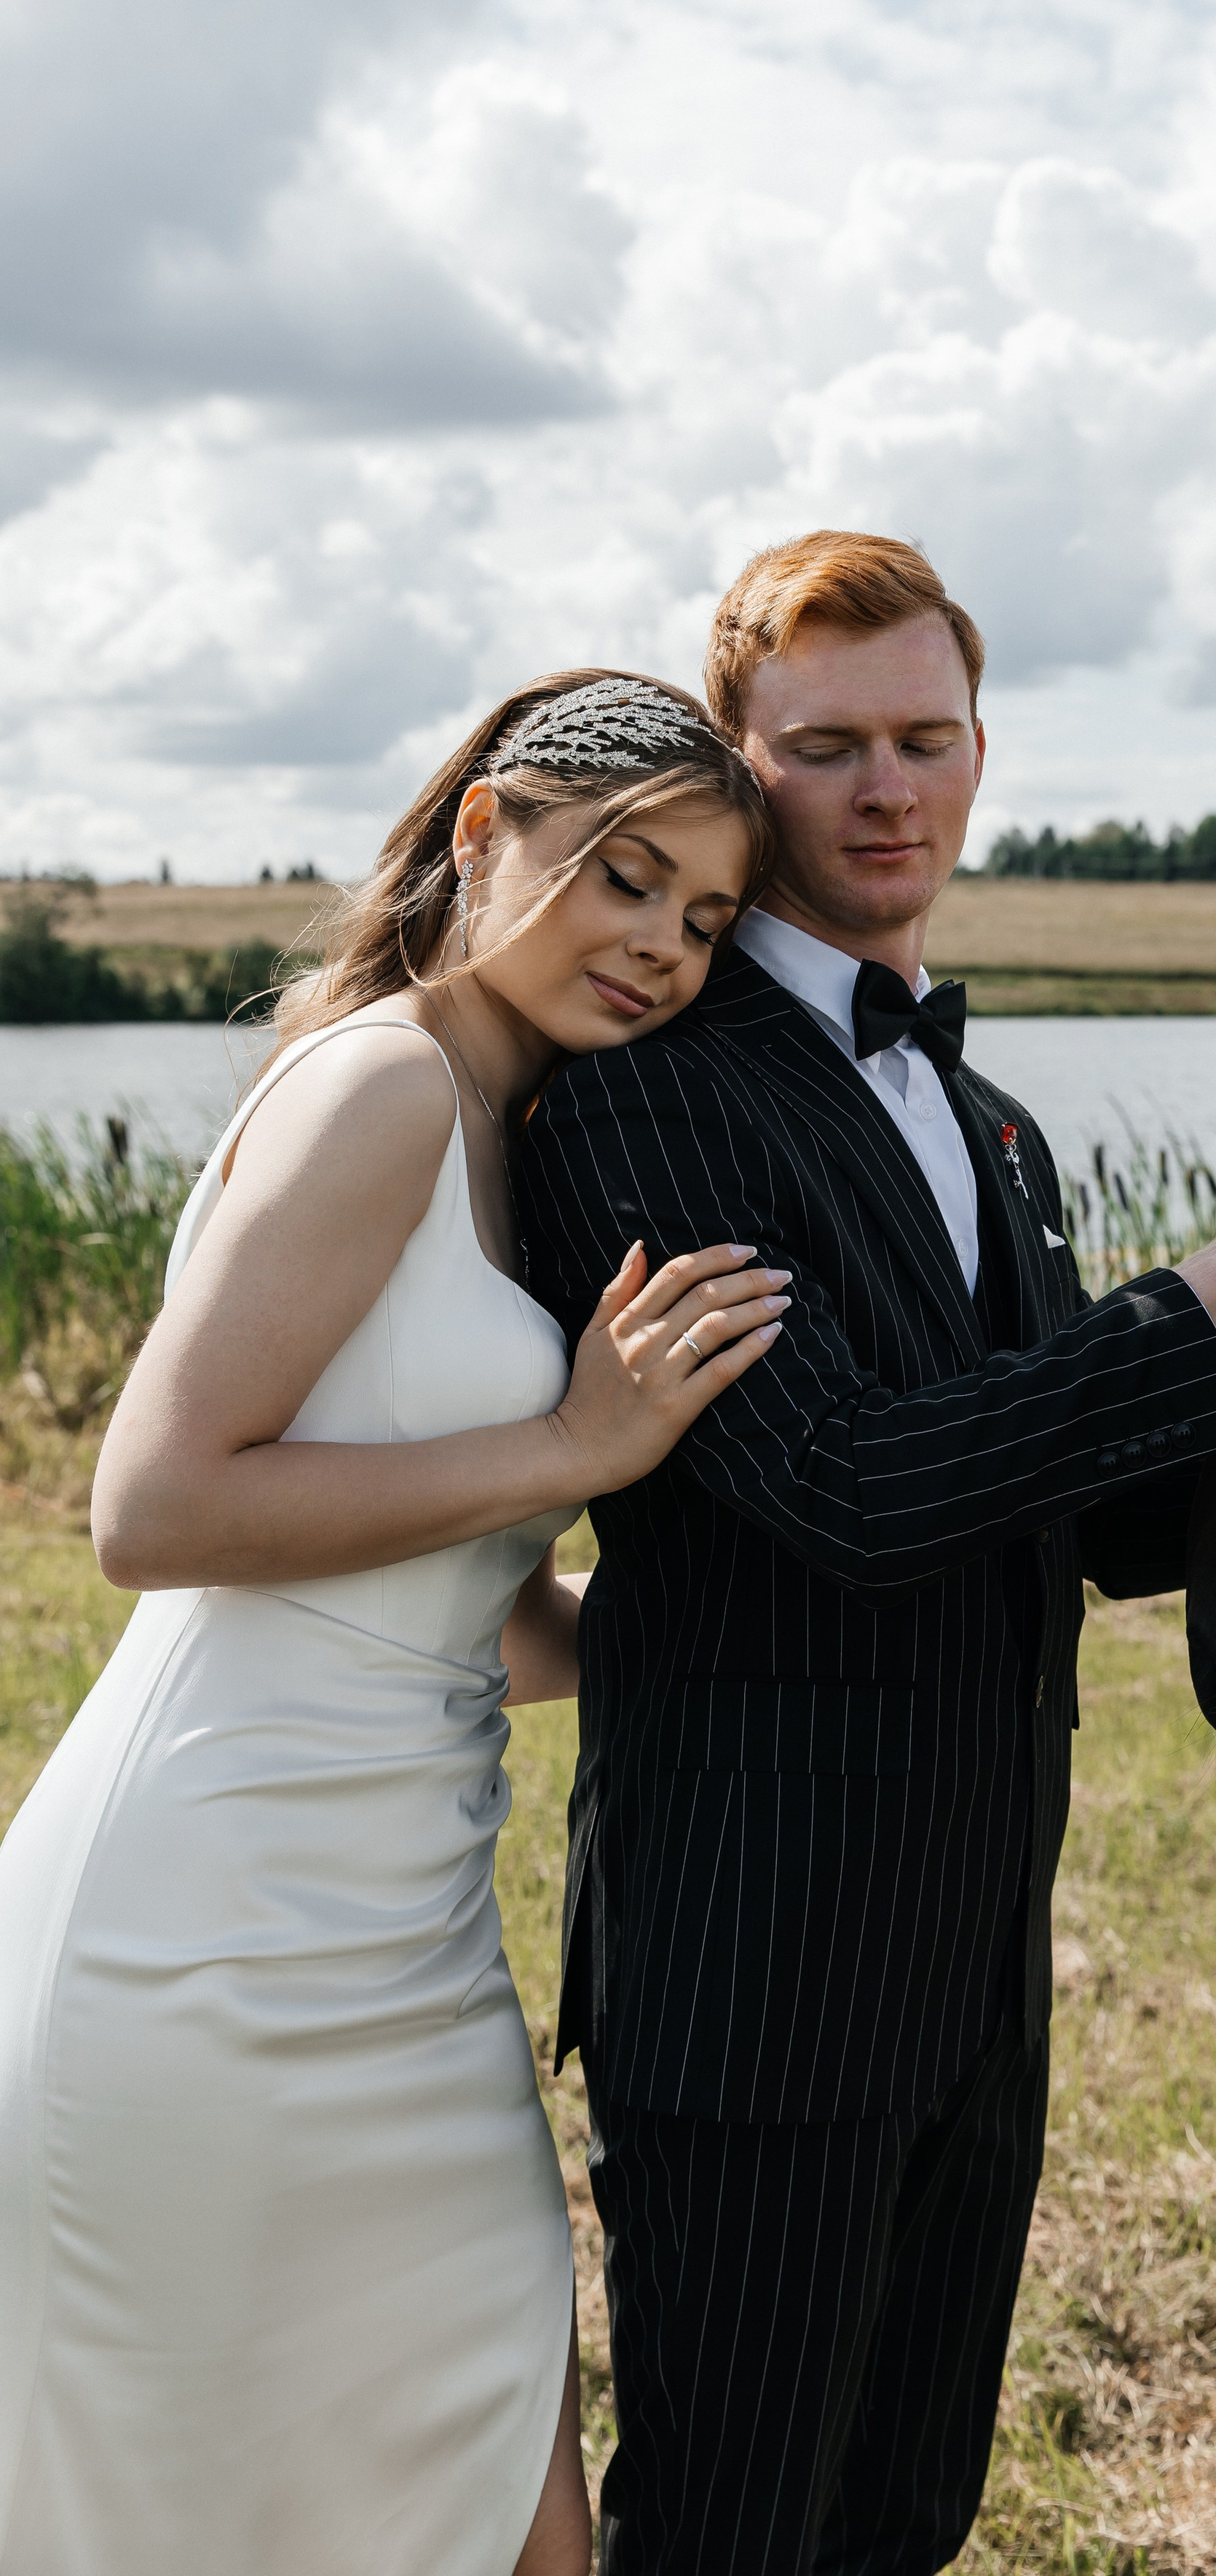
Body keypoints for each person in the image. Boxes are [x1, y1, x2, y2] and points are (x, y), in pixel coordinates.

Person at [518, 534, 1216, 2576]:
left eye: (926, 737)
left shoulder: (997, 1126)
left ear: (983, 751)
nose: (887, 788)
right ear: (743, 767)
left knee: (906, 2517)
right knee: (732, 2527)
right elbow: (861, 1491)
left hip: (980, 1955)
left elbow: (1077, 1512)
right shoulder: (645, 1102)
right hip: (757, 1967)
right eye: (827, 749)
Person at [0, 671, 794, 2576]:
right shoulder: (382, 1087)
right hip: (205, 1942)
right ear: (478, 832)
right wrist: (572, 1438)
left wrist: (732, 1642)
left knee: (510, 2506)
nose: (662, 949)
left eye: (702, 919)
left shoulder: (520, 1137)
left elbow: (462, 1613)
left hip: (410, 1961)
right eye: (625, 878)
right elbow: (155, 1509)